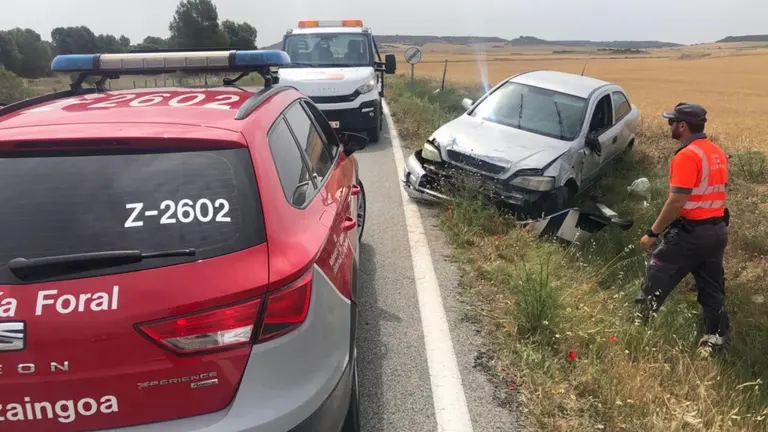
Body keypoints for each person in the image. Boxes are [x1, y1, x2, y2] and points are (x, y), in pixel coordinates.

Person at [635, 102, 730, 353]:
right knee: (712, 289)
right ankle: (715, 340)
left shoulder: (687, 155)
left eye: (672, 122)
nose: (670, 127)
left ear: (683, 126)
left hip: (690, 233)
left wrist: (652, 233)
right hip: (717, 232)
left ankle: (637, 328)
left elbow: (677, 201)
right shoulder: (716, 152)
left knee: (657, 274)